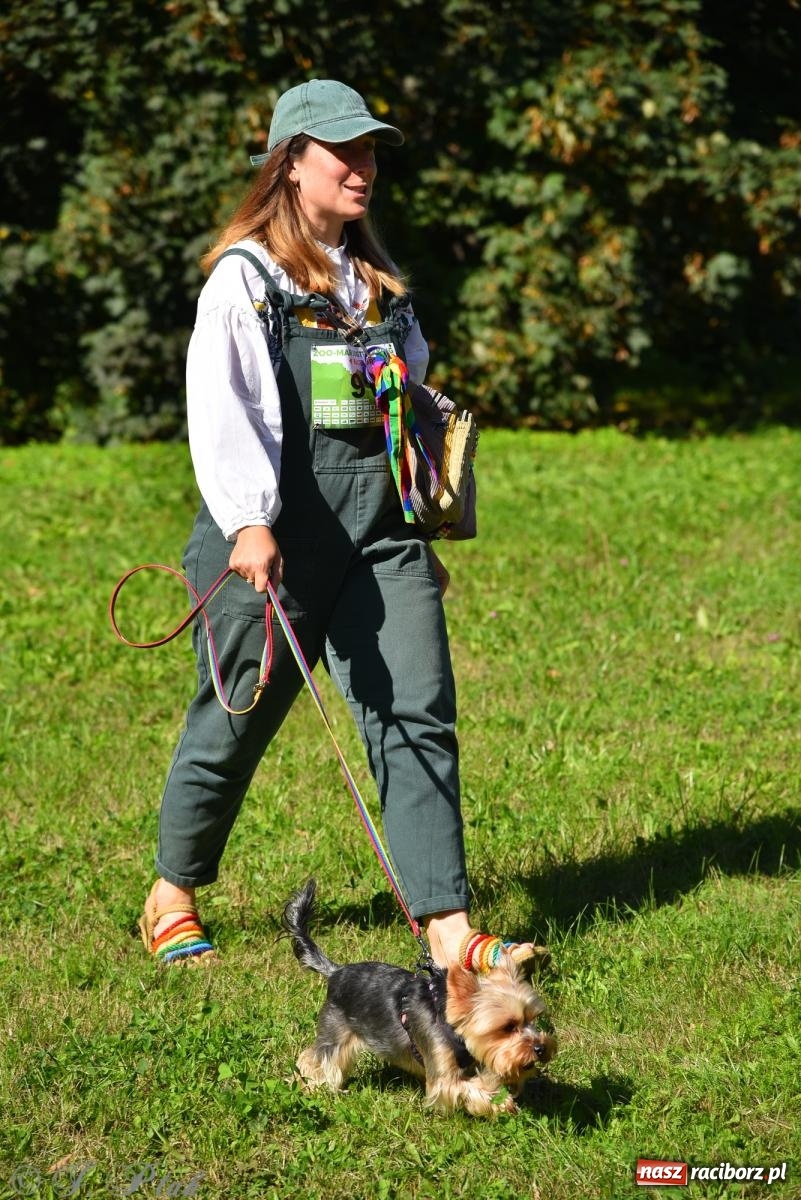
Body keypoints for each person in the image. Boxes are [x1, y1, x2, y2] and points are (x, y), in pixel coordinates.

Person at [138, 79, 540, 973]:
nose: (363, 169)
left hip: (382, 534)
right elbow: (223, 405)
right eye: (344, 153)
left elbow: (408, 405)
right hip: (271, 539)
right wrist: (247, 522)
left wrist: (421, 521)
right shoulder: (246, 280)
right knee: (233, 719)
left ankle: (448, 932)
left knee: (416, 709)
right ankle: (171, 892)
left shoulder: (378, 287)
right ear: (291, 166)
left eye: (369, 153)